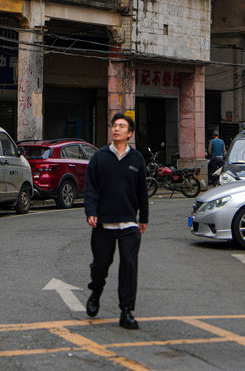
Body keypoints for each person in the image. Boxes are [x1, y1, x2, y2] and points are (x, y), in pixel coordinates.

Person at [84, 112, 149, 330]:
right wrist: (91, 211)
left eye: (121, 126)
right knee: (102, 266)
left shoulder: (137, 159)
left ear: (129, 133)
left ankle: (127, 311)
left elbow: (142, 191)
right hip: (104, 223)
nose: (116, 129)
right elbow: (91, 187)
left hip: (129, 223)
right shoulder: (100, 157)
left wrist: (144, 218)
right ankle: (96, 292)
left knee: (129, 266)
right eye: (114, 125)